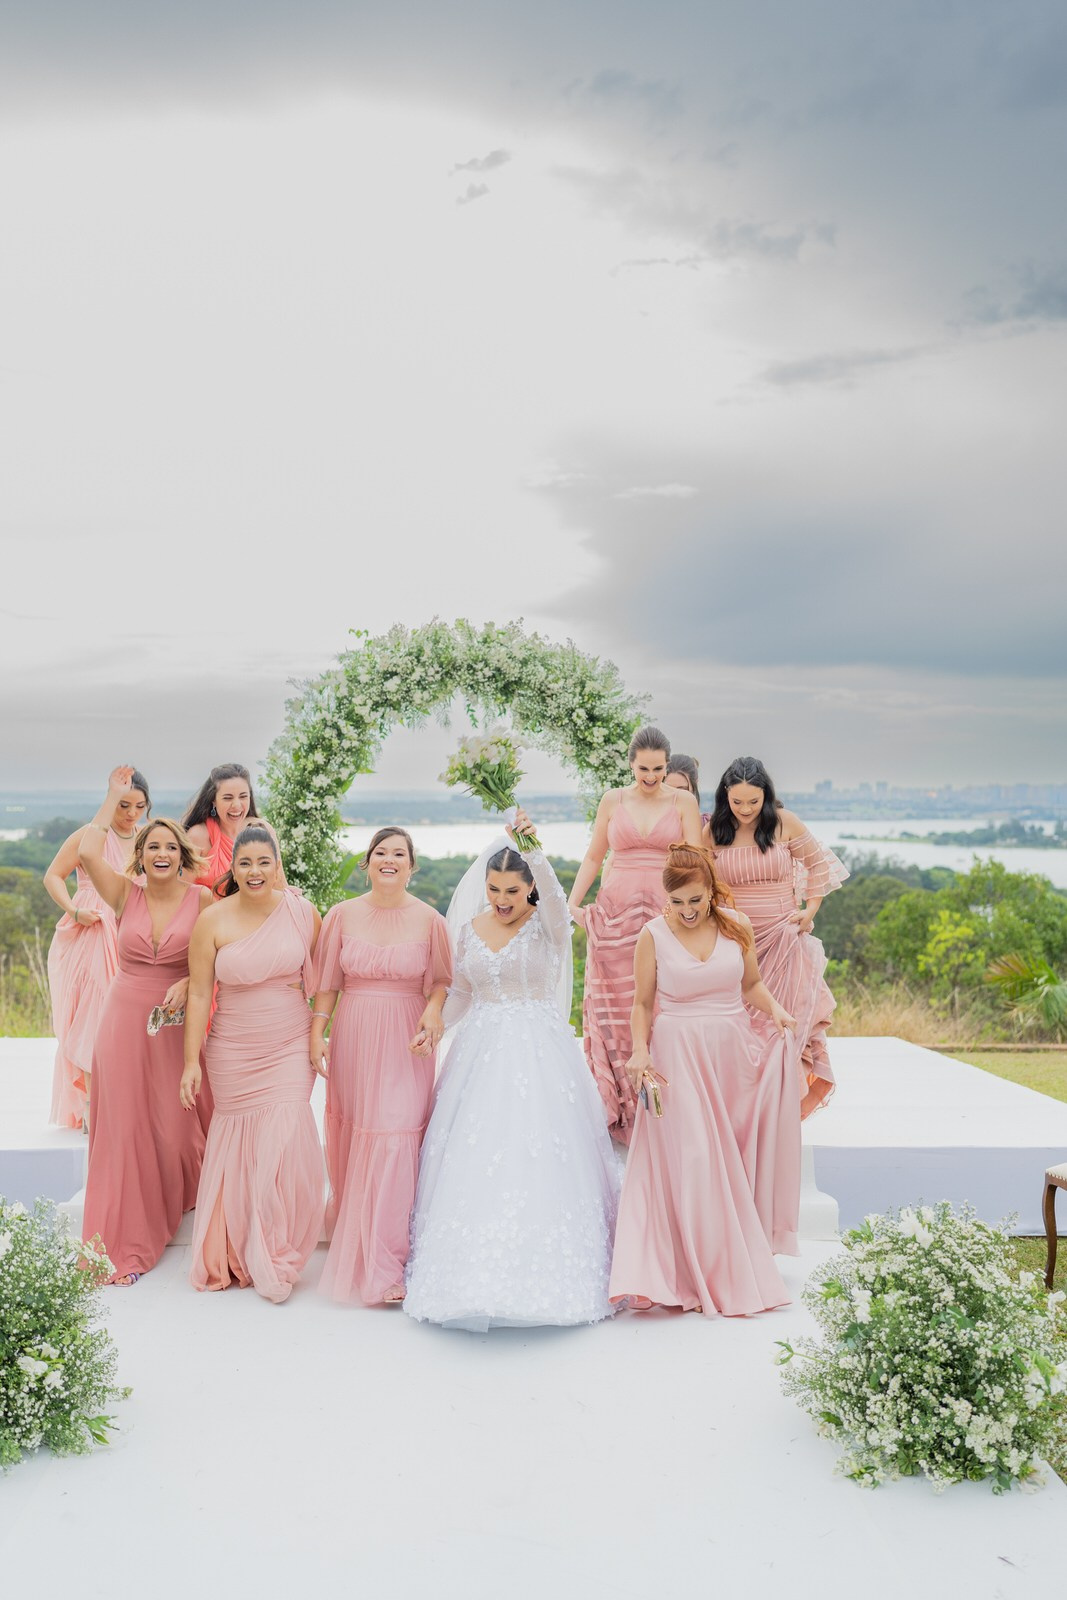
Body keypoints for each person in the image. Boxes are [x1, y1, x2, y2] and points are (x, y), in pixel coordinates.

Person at [404, 811, 620, 1332]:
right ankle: (469, 1274)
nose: (501, 900)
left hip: (541, 1056)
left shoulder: (549, 925)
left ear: (530, 889)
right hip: (479, 1055)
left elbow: (557, 898)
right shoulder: (468, 931)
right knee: (477, 1156)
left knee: (539, 1151)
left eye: (512, 891)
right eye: (494, 889)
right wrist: (433, 1021)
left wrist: (532, 845)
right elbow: (461, 996)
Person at [608, 844, 800, 1317]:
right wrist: (640, 1050)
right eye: (677, 902)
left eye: (696, 900)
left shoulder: (737, 925)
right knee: (695, 1158)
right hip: (678, 1056)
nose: (687, 910)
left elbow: (751, 985)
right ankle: (693, 1272)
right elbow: (641, 1004)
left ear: (711, 891)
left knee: (730, 1158)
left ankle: (727, 1261)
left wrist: (776, 1010)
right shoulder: (653, 935)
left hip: (732, 1053)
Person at [79, 767, 212, 1285]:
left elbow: (225, 951)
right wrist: (113, 796)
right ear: (140, 854)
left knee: (176, 1129)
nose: (161, 853)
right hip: (123, 1020)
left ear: (182, 856)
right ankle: (124, 1239)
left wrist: (191, 979)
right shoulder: (123, 893)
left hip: (177, 1027)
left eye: (170, 847)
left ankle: (180, 1196)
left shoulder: (202, 900)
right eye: (152, 846)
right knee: (124, 1129)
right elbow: (88, 850)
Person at [181, 827, 324, 1305]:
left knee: (282, 1142)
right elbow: (199, 993)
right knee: (241, 1147)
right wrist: (190, 1062)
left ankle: (274, 1250)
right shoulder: (213, 919)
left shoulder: (303, 912)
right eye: (245, 863)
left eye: (264, 862)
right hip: (233, 1049)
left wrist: (319, 1034)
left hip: (289, 1042)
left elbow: (324, 983)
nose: (255, 871)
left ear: (277, 865)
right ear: (233, 869)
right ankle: (238, 1248)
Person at [309, 828, 451, 1306]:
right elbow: (327, 984)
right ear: (367, 862)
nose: (389, 860)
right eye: (380, 852)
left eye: (399, 854)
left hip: (405, 1039)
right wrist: (317, 1032)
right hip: (354, 1034)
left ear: (412, 866)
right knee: (357, 1133)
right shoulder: (341, 915)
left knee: (394, 1136)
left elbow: (441, 983)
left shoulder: (431, 920)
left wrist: (433, 1012)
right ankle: (357, 1237)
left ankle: (388, 1263)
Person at [567, 725, 702, 1143]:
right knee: (614, 1007)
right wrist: (572, 903)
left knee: (657, 1004)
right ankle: (617, 1106)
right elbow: (595, 856)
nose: (651, 777)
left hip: (664, 913)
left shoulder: (683, 802)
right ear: (631, 765)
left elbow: (696, 862)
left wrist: (696, 911)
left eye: (658, 769)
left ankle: (660, 1104)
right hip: (615, 914)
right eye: (644, 769)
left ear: (667, 765)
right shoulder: (613, 800)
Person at [709, 756, 848, 1119]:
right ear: (725, 795)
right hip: (734, 942)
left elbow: (818, 864)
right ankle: (742, 1113)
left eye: (753, 802)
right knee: (739, 1032)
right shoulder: (714, 831)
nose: (745, 809)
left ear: (766, 795)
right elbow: (701, 881)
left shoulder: (785, 823)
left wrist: (810, 909)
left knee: (780, 1029)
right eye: (737, 802)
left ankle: (777, 1114)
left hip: (783, 938)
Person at [43, 771, 150, 1129]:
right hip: (93, 930)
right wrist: (74, 910)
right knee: (94, 1014)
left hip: (131, 933)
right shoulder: (90, 835)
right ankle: (92, 1105)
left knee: (129, 1020)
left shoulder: (146, 840)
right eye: (123, 805)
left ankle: (123, 1102)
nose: (131, 813)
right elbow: (53, 876)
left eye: (139, 806)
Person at [182, 762, 270, 894]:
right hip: (208, 907)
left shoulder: (262, 830)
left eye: (243, 796)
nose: (236, 805)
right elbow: (181, 893)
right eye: (228, 798)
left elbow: (279, 884)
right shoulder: (198, 836)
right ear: (213, 801)